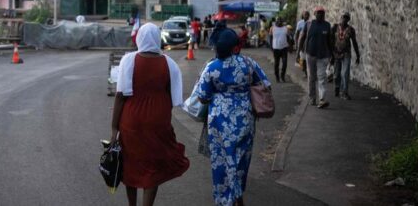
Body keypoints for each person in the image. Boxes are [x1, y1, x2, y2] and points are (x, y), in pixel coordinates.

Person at [111, 23, 190, 206]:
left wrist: (114, 127)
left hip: (132, 122)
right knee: (153, 167)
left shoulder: (129, 60)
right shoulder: (170, 64)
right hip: (158, 123)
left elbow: (121, 95)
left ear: (139, 38)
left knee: (130, 165)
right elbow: (174, 98)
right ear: (157, 39)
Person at [193, 27, 271, 206]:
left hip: (219, 122)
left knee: (221, 162)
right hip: (245, 119)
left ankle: (225, 200)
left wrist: (219, 94)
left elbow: (202, 98)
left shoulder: (212, 66)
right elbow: (265, 84)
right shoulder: (248, 63)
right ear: (234, 47)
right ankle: (237, 195)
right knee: (240, 160)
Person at [303, 7, 334, 108]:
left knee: (322, 78)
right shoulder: (309, 24)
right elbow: (302, 37)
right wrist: (299, 51)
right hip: (310, 55)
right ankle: (312, 98)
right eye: (319, 13)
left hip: (323, 55)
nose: (321, 15)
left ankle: (322, 99)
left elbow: (330, 41)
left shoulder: (327, 25)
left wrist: (332, 54)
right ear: (315, 14)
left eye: (322, 13)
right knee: (312, 77)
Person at [332, 13, 360, 100]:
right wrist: (331, 53)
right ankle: (337, 87)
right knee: (336, 74)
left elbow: (354, 42)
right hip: (336, 53)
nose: (344, 19)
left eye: (347, 18)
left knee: (345, 73)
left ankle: (344, 92)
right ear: (341, 18)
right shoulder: (335, 27)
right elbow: (330, 39)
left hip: (346, 54)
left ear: (348, 20)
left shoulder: (351, 30)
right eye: (343, 17)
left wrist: (358, 55)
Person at [270, 18, 290, 82]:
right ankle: (277, 77)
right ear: (276, 22)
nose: (279, 22)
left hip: (284, 48)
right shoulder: (272, 28)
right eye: (278, 21)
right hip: (276, 48)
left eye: (280, 21)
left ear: (282, 22)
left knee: (285, 63)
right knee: (276, 63)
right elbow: (270, 38)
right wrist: (271, 47)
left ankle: (282, 75)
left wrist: (289, 46)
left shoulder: (286, 28)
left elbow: (288, 37)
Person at [295, 11, 310, 78]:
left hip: (307, 43)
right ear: (303, 16)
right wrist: (296, 43)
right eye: (305, 15)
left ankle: (307, 73)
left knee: (307, 59)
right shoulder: (300, 23)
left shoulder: (310, 23)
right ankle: (305, 71)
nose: (306, 16)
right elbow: (297, 34)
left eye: (307, 15)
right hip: (301, 43)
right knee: (303, 59)